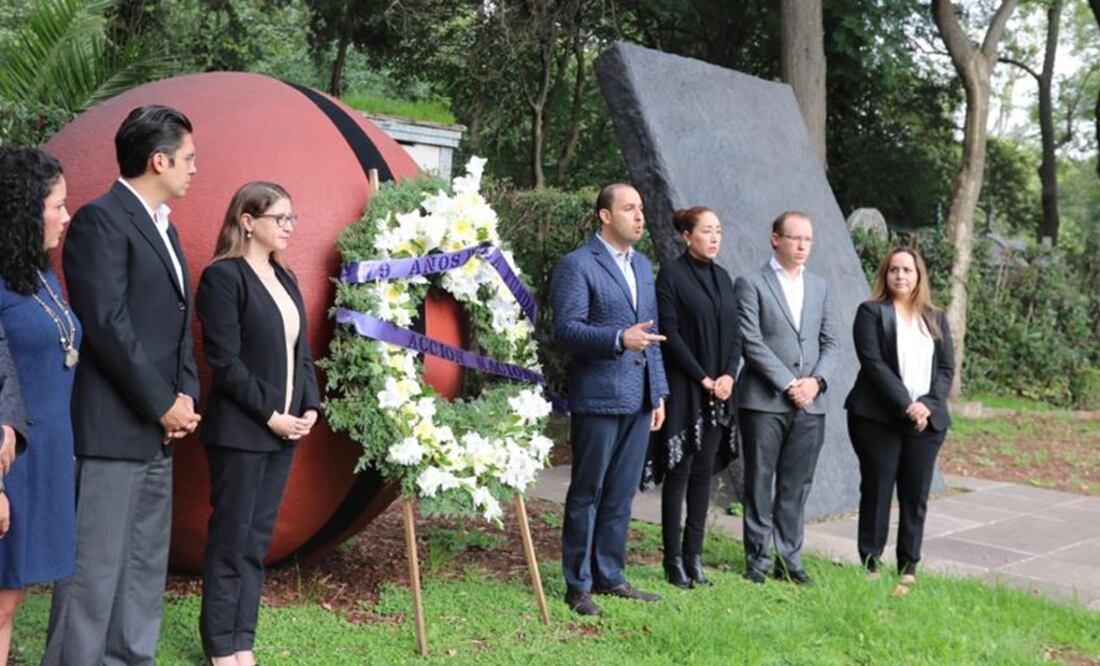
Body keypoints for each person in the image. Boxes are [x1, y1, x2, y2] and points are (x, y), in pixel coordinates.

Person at [44, 105, 201, 666]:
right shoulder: (99, 222)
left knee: (141, 571)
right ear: (157, 160)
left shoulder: (166, 226)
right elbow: (107, 325)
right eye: (187, 158)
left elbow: (178, 322)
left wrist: (185, 397)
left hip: (160, 433)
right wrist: (162, 403)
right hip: (112, 431)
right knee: (91, 577)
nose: (193, 169)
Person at [196, 182, 320, 666]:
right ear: (248, 221)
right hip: (243, 433)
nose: (288, 227)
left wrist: (308, 405)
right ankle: (220, 647)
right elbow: (224, 363)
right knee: (231, 539)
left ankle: (241, 639)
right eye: (279, 218)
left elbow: (301, 353)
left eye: (292, 218)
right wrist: (271, 416)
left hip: (285, 433)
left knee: (255, 543)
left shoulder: (284, 277)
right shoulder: (224, 278)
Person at [550, 183, 669, 616]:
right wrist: (619, 338)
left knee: (620, 494)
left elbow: (651, 336)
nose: (639, 216)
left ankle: (610, 576)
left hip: (639, 399)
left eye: (641, 208)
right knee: (588, 492)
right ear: (605, 215)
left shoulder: (642, 266)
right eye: (629, 208)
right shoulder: (577, 265)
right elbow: (566, 330)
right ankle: (577, 584)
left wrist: (658, 392)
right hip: (598, 397)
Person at [735, 210, 839, 586]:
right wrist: (788, 383)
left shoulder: (821, 287)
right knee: (760, 481)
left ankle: (790, 558)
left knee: (797, 484)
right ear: (775, 239)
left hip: (812, 403)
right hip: (764, 401)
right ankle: (758, 559)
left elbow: (832, 342)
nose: (802, 246)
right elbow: (751, 341)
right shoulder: (750, 283)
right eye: (795, 238)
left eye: (807, 239)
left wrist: (816, 382)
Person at [0, 147, 75, 665]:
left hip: (48, 454)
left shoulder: (39, 273)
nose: (67, 216)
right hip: (10, 458)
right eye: (58, 205)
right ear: (25, 210)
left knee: (12, 597)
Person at [844, 247, 954, 593]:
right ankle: (871, 563)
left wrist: (927, 405)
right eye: (894, 270)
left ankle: (909, 567)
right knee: (877, 490)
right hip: (878, 419)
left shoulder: (936, 318)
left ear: (918, 275)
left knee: (915, 494)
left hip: (926, 422)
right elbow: (874, 364)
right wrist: (907, 405)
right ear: (885, 275)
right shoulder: (871, 313)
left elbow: (946, 368)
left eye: (907, 270)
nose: (901, 276)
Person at [653, 207, 741, 589]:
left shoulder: (724, 278)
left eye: (719, 230)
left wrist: (727, 376)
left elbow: (735, 334)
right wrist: (702, 377)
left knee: (704, 475)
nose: (715, 237)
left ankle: (695, 556)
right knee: (681, 472)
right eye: (707, 231)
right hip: (688, 387)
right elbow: (670, 334)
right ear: (688, 236)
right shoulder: (672, 275)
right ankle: (672, 560)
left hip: (720, 390)